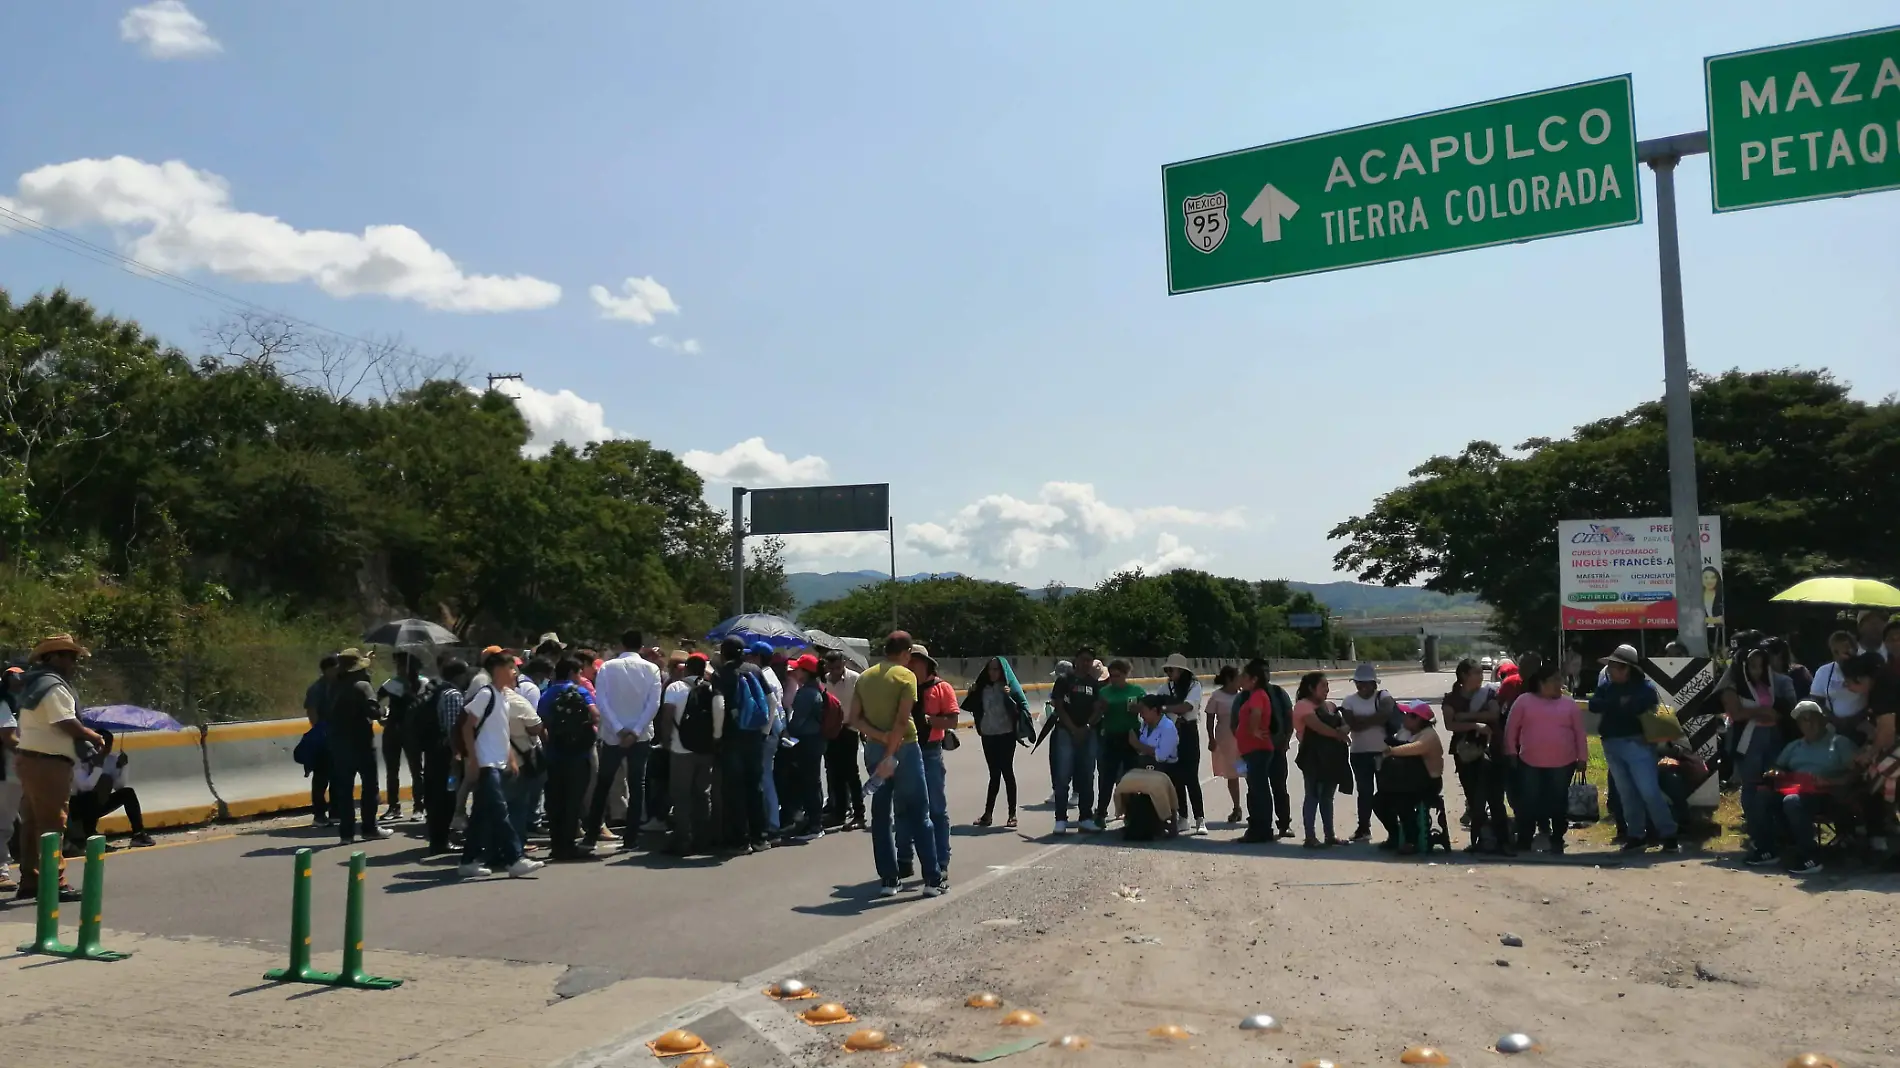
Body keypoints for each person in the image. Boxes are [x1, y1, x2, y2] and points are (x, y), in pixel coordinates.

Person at [849, 631, 944, 897]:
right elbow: (902, 722)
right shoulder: (906, 676)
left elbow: (854, 718)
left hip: (873, 748)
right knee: (919, 813)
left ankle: (889, 880)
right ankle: (932, 880)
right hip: (905, 749)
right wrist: (891, 752)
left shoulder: (865, 677)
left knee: (880, 816)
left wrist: (879, 739)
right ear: (906, 652)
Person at [14, 635, 106, 901]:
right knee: (53, 823)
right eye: (69, 657)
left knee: (32, 823)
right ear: (54, 657)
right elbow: (64, 721)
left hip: (30, 758)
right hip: (48, 762)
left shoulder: (34, 683)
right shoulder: (54, 686)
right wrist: (92, 735)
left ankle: (30, 879)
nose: (73, 663)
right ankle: (55, 882)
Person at [458, 650, 542, 879]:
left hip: (497, 761)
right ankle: (514, 859)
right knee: (500, 811)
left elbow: (501, 731)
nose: (514, 672)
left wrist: (511, 757)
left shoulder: (503, 696)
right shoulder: (486, 695)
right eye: (510, 668)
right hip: (486, 763)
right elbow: (467, 727)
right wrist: (474, 760)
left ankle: (468, 861)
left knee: (479, 816)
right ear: (498, 670)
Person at [1590, 644, 1679, 853]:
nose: (1609, 669)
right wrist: (1618, 703)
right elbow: (1594, 705)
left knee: (1649, 791)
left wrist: (1614, 704)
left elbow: (1637, 708)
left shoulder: (1645, 688)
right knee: (1626, 793)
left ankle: (1669, 834)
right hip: (1611, 743)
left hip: (1637, 743)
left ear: (1626, 668)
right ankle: (1636, 834)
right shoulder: (1607, 686)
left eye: (1614, 665)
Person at [1721, 642, 1798, 866]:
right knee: (1753, 789)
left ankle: (1775, 836)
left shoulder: (1768, 683)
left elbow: (1778, 711)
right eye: (1753, 666)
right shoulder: (1731, 685)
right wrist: (1761, 712)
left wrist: (1772, 716)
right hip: (1748, 742)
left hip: (1771, 740)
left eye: (1760, 666)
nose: (1757, 670)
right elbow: (1735, 712)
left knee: (1773, 786)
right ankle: (1759, 839)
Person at [588, 630, 664, 849]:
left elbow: (601, 701)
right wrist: (635, 730)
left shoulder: (607, 667)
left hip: (613, 735)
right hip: (640, 736)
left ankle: (592, 834)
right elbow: (654, 704)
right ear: (641, 646)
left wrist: (620, 729)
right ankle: (631, 837)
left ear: (621, 644)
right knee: (636, 785)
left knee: (603, 784)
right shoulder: (652, 669)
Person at [1502, 661, 1587, 855]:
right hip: (1529, 762)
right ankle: (1525, 839)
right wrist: (1511, 753)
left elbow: (1579, 733)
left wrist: (1582, 758)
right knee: (1528, 802)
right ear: (1541, 682)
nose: (1560, 683)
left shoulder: (1569, 704)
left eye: (1560, 679)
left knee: (1558, 802)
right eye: (1555, 680)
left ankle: (1557, 839)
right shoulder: (1524, 701)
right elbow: (1511, 729)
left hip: (1563, 763)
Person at [1762, 700, 1857, 875]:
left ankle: (1810, 857)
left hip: (1830, 794)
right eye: (1803, 720)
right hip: (1800, 789)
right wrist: (1776, 773)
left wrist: (1830, 781)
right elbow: (1779, 766)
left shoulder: (1839, 743)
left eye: (1812, 718)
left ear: (1822, 719)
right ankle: (1768, 848)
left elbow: (1857, 773)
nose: (1808, 723)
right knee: (1763, 796)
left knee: (1792, 802)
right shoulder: (1794, 746)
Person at [898, 644, 957, 877]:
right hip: (905, 750)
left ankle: (941, 861)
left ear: (925, 663)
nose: (911, 666)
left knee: (936, 810)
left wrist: (930, 720)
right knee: (903, 809)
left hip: (930, 751)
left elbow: (952, 720)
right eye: (908, 661)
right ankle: (904, 860)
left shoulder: (942, 688)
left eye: (915, 661)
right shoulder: (902, 687)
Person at [1444, 657, 1511, 855]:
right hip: (1465, 754)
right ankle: (1478, 841)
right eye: (1477, 673)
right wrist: (1475, 726)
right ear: (1464, 676)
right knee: (1474, 800)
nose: (1481, 677)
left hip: (1492, 751)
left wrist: (1463, 716)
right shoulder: (1452, 697)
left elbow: (1493, 715)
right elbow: (1449, 724)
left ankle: (1503, 842)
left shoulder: (1489, 693)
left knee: (1496, 799)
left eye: (1482, 673)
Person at [539, 656, 601, 861]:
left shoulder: (547, 694)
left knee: (555, 800)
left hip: (554, 754)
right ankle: (568, 844)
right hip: (578, 754)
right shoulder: (580, 692)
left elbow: (541, 722)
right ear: (573, 673)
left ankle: (556, 844)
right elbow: (595, 715)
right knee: (573, 801)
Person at [715, 637, 772, 853]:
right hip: (754, 737)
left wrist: (717, 735)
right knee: (755, 787)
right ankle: (760, 838)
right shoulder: (755, 670)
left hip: (732, 737)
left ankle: (740, 840)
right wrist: (764, 731)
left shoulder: (722, 673)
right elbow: (771, 700)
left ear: (724, 652)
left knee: (735, 791)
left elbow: (719, 705)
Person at [327, 649, 387, 845]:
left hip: (339, 744)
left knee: (345, 790)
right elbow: (374, 712)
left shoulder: (334, 686)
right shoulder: (363, 686)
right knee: (370, 788)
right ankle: (369, 828)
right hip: (362, 744)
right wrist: (383, 710)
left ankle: (346, 833)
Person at [664, 653, 722, 855]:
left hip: (681, 748)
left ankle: (682, 840)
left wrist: (666, 741)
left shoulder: (675, 688)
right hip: (705, 749)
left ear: (686, 668)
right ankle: (702, 838)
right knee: (702, 794)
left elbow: (667, 715)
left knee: (681, 796)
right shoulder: (711, 688)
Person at [964, 656, 1028, 829]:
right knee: (994, 774)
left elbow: (1020, 709)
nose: (992, 673)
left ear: (1002, 671)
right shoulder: (983, 688)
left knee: (1007, 771)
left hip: (1006, 735)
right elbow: (973, 706)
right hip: (989, 734)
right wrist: (972, 693)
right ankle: (988, 815)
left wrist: (1009, 697)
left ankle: (1012, 814)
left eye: (996, 669)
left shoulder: (1007, 689)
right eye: (990, 669)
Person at [1376, 703, 1446, 855]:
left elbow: (1415, 748)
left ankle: (1411, 840)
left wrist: (1391, 751)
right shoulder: (1405, 732)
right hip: (1406, 781)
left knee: (1403, 801)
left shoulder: (1429, 735)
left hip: (1428, 783)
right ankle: (1394, 835)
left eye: (1408, 715)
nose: (1404, 718)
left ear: (1418, 719)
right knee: (1378, 801)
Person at [67, 730, 154, 850]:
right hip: (79, 806)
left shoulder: (112, 760)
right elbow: (84, 787)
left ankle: (138, 834)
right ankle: (90, 835)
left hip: (99, 803)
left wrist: (123, 767)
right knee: (100, 784)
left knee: (127, 792)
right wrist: (98, 767)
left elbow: (119, 786)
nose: (103, 748)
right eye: (101, 744)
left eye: (108, 745)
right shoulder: (80, 761)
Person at [1339, 663, 1397, 841]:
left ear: (1374, 684)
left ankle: (1393, 830)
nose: (1362, 687)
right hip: (1359, 753)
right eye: (1359, 683)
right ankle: (1364, 828)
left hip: (1383, 752)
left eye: (1366, 683)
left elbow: (1385, 715)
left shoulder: (1384, 696)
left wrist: (1360, 721)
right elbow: (1353, 723)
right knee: (1364, 792)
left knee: (1386, 792)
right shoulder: (1349, 700)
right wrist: (1373, 720)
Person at [1292, 671, 1350, 848]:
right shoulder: (1303, 706)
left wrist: (1343, 731)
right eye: (1323, 686)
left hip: (1332, 757)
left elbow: (1346, 725)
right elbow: (1317, 727)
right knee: (1313, 795)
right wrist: (1340, 735)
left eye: (1327, 685)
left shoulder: (1330, 706)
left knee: (1327, 797)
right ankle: (1310, 836)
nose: (1327, 689)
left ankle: (1329, 835)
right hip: (1313, 758)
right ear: (1311, 688)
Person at [1049, 649, 1102, 834]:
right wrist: (1072, 728)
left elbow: (1098, 708)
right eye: (1083, 660)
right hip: (1065, 732)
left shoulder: (1094, 684)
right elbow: (1059, 706)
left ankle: (1085, 818)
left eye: (1090, 660)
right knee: (1063, 777)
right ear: (1076, 660)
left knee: (1087, 776)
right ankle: (1061, 819)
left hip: (1088, 733)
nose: (1087, 663)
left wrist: (1087, 727)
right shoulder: (1064, 680)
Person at [374, 651, 429, 823]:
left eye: (402, 665)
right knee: (392, 770)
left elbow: (423, 703)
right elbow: (376, 698)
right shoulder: (393, 683)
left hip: (412, 730)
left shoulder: (423, 682)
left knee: (416, 770)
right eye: (397, 665)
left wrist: (408, 691)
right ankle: (393, 807)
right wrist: (381, 715)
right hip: (392, 729)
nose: (399, 669)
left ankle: (419, 807)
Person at [1154, 653, 1207, 834]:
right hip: (1170, 733)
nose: (1169, 672)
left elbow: (1187, 707)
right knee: (1175, 777)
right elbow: (1155, 704)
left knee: (1191, 777)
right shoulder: (1165, 687)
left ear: (1182, 670)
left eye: (1172, 669)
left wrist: (1165, 708)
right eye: (1167, 669)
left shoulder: (1194, 686)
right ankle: (1183, 817)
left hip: (1188, 732)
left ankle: (1200, 819)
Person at [422, 658, 470, 855]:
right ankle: (440, 841)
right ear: (459, 675)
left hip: (435, 752)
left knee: (437, 796)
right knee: (446, 796)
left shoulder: (437, 690)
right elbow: (452, 728)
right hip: (446, 755)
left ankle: (438, 838)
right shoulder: (452, 695)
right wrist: (457, 755)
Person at [1234, 658, 1283, 844]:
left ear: (1253, 679)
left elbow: (1256, 713)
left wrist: (1253, 730)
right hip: (1251, 750)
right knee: (1255, 789)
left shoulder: (1257, 695)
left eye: (1244, 676)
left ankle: (1261, 829)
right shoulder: (1255, 694)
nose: (1241, 680)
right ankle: (1258, 827)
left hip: (1258, 750)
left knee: (1259, 790)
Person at [1094, 660, 1147, 828]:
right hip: (1111, 736)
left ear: (1126, 674)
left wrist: (1139, 708)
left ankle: (1130, 812)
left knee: (1130, 777)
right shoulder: (1104, 692)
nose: (1115, 679)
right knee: (1107, 777)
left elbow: (1149, 713)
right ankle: (1101, 813)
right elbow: (1095, 717)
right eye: (1112, 676)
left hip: (1130, 737)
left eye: (1119, 675)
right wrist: (1100, 709)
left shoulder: (1136, 691)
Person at [783, 654, 830, 840]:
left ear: (806, 672)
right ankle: (813, 822)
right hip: (816, 740)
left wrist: (785, 732)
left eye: (798, 669)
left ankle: (813, 826)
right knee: (813, 782)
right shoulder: (815, 689)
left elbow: (797, 722)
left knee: (809, 783)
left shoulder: (806, 694)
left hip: (808, 741)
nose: (795, 672)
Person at [820, 650, 865, 831]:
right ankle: (838, 812)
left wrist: (862, 728)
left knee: (851, 773)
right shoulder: (823, 680)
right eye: (832, 668)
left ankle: (859, 814)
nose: (836, 672)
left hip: (849, 729)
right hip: (831, 731)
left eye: (838, 667)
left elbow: (864, 704)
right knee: (833, 773)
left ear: (844, 663)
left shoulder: (856, 679)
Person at [502, 672, 547, 845]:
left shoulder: (484, 698)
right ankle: (516, 848)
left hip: (493, 761)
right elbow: (536, 726)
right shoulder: (517, 701)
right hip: (519, 761)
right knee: (517, 807)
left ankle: (499, 848)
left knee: (499, 807)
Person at [1204, 665, 1244, 823]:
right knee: (1232, 775)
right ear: (1229, 679)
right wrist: (1211, 739)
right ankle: (1237, 807)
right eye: (1238, 678)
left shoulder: (1243, 696)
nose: (1241, 681)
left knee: (1249, 773)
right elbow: (1209, 719)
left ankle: (1257, 809)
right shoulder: (1216, 696)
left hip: (1243, 742)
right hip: (1226, 742)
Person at [303, 653, 338, 826]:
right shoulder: (317, 688)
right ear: (328, 669)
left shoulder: (337, 686)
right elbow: (312, 711)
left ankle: (335, 812)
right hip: (324, 737)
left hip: (337, 737)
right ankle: (319, 814)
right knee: (321, 778)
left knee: (337, 776)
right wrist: (320, 732)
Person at [1811, 630, 1868, 734]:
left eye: (1846, 649)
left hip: (1863, 724)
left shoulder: (1866, 668)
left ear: (1855, 649)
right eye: (1836, 651)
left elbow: (1876, 696)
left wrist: (1857, 719)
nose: (1841, 654)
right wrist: (1832, 719)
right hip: (1834, 726)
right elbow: (1816, 700)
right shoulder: (1824, 671)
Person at [0, 666, 22, 892]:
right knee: (4, 824)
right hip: (6, 771)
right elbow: (8, 737)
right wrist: (31, 750)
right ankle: (1, 871)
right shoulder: (4, 704)